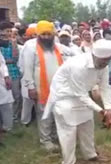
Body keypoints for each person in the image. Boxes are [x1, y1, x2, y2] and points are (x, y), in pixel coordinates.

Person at [43, 40, 111, 164]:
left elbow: (105, 87)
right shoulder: (78, 65)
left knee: (88, 125)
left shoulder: (104, 67)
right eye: (103, 60)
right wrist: (101, 110)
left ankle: (90, 155)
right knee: (68, 133)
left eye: (108, 60)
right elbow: (81, 94)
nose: (105, 64)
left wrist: (108, 108)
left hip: (81, 97)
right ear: (95, 55)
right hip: (64, 97)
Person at [22, 20, 66, 152]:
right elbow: (27, 69)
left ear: (53, 34)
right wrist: (30, 87)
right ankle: (45, 141)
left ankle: (55, 136)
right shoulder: (30, 46)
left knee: (57, 113)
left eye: (48, 34)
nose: (46, 37)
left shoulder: (56, 46)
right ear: (38, 35)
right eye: (43, 34)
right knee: (44, 114)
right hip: (41, 88)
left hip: (58, 87)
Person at [0, 21, 21, 123]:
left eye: (10, 31)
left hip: (14, 72)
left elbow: (15, 58)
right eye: (6, 31)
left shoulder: (13, 42)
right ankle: (6, 119)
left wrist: (13, 44)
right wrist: (6, 61)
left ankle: (14, 117)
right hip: (2, 75)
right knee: (4, 98)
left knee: (16, 96)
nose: (9, 33)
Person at [0, 35, 13, 132]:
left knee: (6, 104)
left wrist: (6, 76)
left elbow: (2, 64)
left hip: (1, 80)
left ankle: (7, 127)